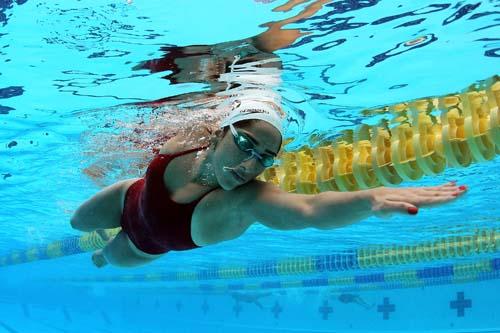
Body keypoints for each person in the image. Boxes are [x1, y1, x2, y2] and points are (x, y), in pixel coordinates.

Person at [70, 89, 467, 268]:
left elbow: (308, 209)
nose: (251, 164)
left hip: (146, 244)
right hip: (126, 196)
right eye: (245, 143)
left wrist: (370, 200)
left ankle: (103, 252)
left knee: (105, 257)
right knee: (75, 222)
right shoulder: (188, 137)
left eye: (265, 158)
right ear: (218, 132)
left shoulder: (244, 200)